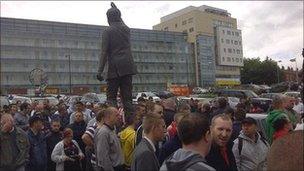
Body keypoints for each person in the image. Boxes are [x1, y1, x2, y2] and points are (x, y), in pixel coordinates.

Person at [96, 2, 137, 116]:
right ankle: (130, 122)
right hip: (128, 67)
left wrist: (100, 71)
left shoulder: (107, 31)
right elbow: (122, 23)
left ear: (108, 18)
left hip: (115, 68)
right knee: (127, 98)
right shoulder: (126, 29)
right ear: (119, 17)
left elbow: (104, 52)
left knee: (111, 97)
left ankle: (113, 121)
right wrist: (117, 10)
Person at [94, 107, 124, 171]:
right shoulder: (103, 133)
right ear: (108, 117)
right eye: (116, 115)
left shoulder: (112, 129)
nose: (119, 117)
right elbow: (103, 157)